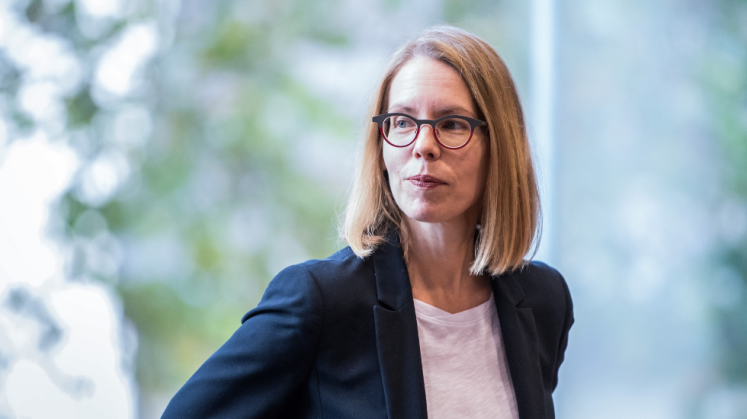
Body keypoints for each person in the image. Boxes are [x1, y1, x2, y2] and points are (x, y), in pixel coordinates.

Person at [162, 25, 573, 419]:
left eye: (451, 124)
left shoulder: (544, 300)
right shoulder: (321, 301)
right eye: (402, 122)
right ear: (380, 146)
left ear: (500, 145)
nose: (423, 145)